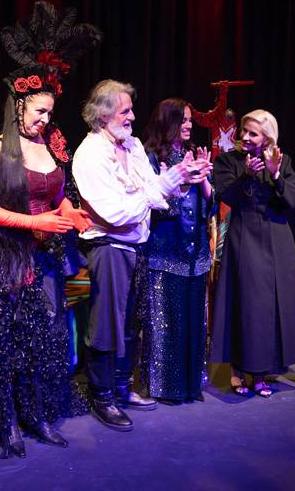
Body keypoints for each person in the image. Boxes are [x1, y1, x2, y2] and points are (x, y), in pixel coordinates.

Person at [0, 1, 100, 457]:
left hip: (44, 257)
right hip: (5, 257)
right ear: (19, 105)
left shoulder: (50, 146)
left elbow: (55, 191)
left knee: (43, 339)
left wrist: (70, 212)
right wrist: (34, 221)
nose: (45, 119)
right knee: (5, 342)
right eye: (39, 111)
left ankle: (38, 414)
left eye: (49, 111)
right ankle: (7, 424)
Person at [72, 79, 210, 431]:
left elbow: (153, 190)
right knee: (107, 325)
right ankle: (102, 396)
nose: (133, 115)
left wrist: (181, 180)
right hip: (110, 246)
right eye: (125, 110)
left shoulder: (132, 146)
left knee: (133, 320)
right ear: (103, 115)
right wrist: (163, 185)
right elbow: (115, 213)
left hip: (139, 246)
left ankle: (122, 386)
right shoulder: (90, 154)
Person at [211, 109, 295, 398]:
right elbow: (226, 195)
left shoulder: (283, 161)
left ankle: (262, 372)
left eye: (252, 133)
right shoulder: (229, 161)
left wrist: (275, 173)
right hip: (247, 240)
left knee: (272, 307)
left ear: (267, 137)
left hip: (278, 241)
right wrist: (247, 176)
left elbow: (293, 199)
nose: (244, 137)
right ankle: (240, 372)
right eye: (244, 131)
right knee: (248, 304)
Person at [141, 98, 214, 404]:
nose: (187, 125)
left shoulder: (190, 155)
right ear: (166, 122)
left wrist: (205, 182)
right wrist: (181, 184)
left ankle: (190, 385)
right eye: (182, 120)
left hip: (194, 252)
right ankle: (166, 387)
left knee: (194, 320)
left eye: (189, 121)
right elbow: (153, 208)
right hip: (165, 251)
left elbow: (207, 207)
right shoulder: (148, 158)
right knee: (167, 321)